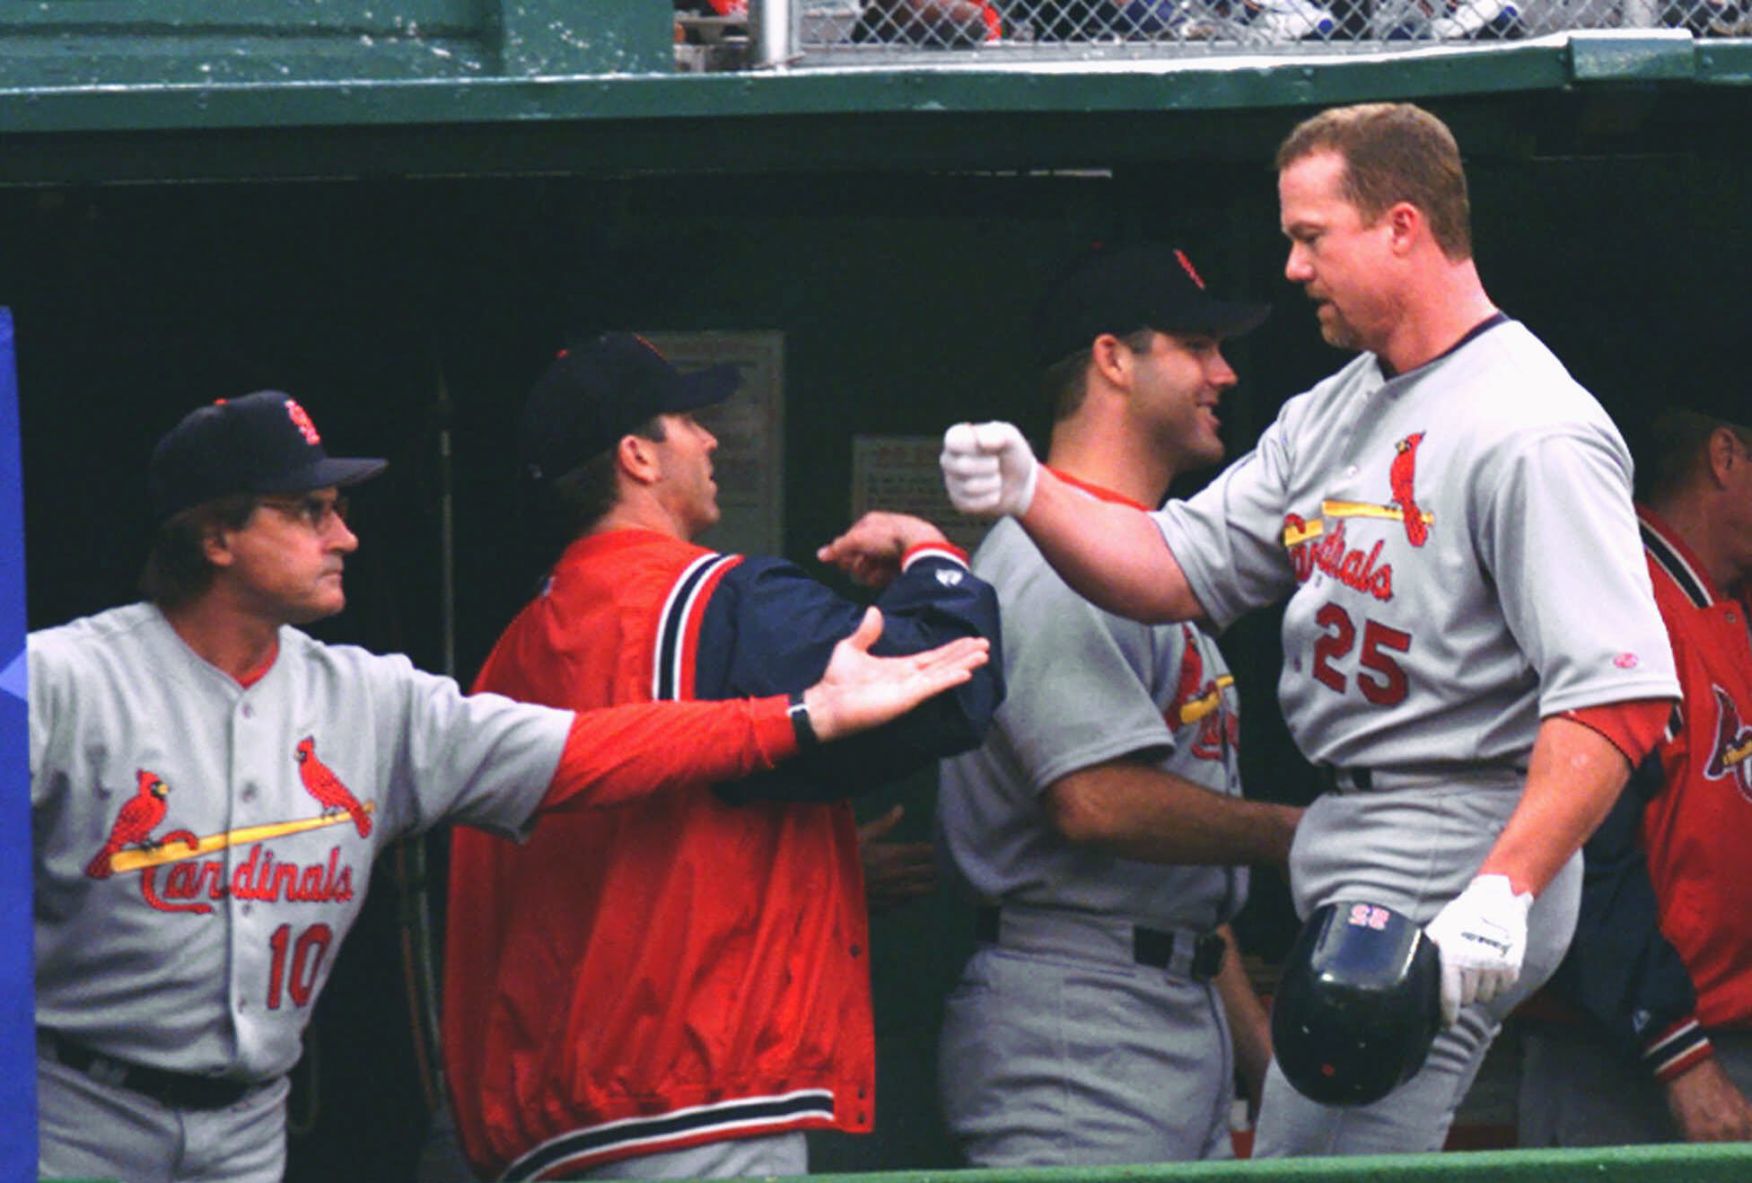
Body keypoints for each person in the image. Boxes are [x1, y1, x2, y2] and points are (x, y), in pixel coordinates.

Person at [938, 101, 1679, 1156]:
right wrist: (1032, 496)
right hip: (1364, 831)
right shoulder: (1335, 409)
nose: (1292, 267)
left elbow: (1615, 693)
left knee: (1319, 1162)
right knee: (1314, 1152)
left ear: (1403, 228)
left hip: (1454, 823)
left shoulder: (1530, 424)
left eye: (1310, 236)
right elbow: (1175, 567)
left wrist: (1502, 889)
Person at [31, 389, 988, 1183]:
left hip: (250, 1124)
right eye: (308, 511)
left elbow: (588, 753)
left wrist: (799, 717)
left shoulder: (370, 697)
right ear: (215, 538)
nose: (345, 536)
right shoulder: (62, 682)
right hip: (76, 1109)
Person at [441, 333, 1003, 1182]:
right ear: (636, 455)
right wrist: (929, 549)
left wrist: (816, 868)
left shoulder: (510, 653)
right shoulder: (711, 601)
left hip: (550, 1129)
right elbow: (952, 678)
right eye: (688, 420)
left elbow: (633, 852)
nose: (709, 440)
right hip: (692, 1107)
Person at [915, 243, 1301, 1167]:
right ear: (1112, 360)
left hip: (1170, 1003)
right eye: (1198, 344)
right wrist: (1309, 832)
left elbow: (1193, 905)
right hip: (1076, 1018)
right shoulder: (1045, 559)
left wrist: (1272, 1079)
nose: (1225, 372)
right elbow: (1094, 800)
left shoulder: (1135, 561)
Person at [1518, 400, 1752, 1146]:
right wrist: (1678, 1052)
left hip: (1716, 1036)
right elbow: (1579, 847)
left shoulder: (1723, 606)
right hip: (1624, 1058)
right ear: (1726, 457)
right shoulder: (1622, 594)